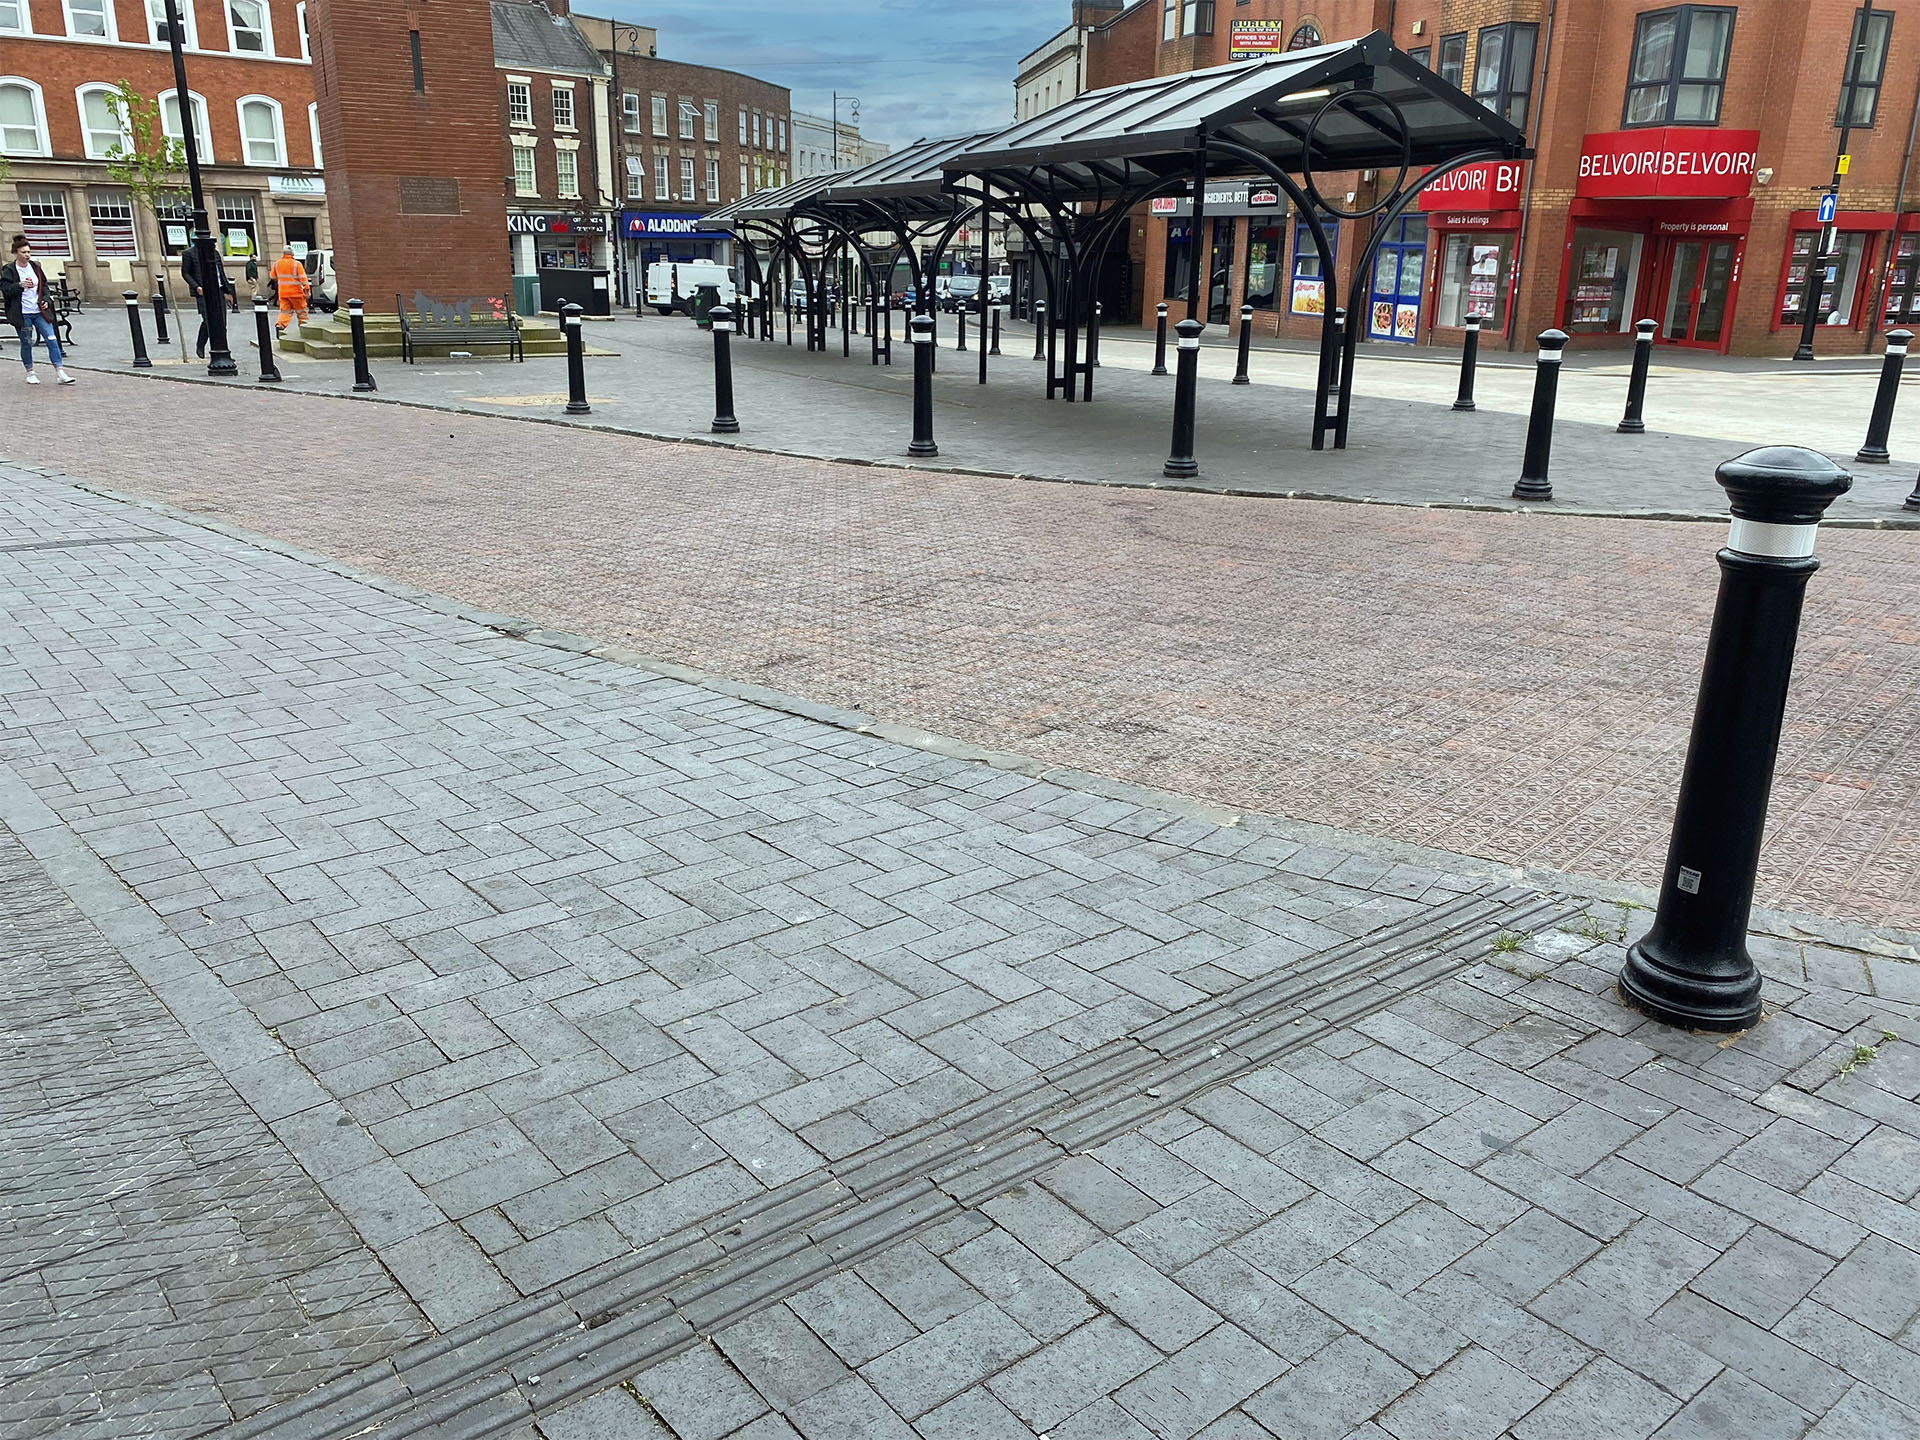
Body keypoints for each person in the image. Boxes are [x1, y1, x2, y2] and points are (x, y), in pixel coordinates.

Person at [1, 235, 75, 385]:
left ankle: (60, 372)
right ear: (15, 253)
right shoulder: (9, 269)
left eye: (28, 252)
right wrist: (20, 285)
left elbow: (45, 287)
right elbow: (5, 290)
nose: (27, 255)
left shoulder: (35, 267)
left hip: (39, 311)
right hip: (22, 313)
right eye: (23, 252)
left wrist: (46, 300)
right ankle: (30, 372)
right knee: (27, 342)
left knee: (52, 339)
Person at [180, 239, 235, 359]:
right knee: (208, 321)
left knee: (222, 323)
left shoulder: (214, 253)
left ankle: (224, 352)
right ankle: (201, 345)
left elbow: (221, 273)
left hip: (218, 291)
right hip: (203, 292)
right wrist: (196, 286)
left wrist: (228, 291)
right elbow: (185, 273)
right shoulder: (189, 253)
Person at [268, 242, 311, 334]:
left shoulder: (276, 264)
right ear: (292, 254)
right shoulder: (297, 264)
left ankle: (280, 325)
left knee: (285, 312)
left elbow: (272, 277)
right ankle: (304, 328)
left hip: (283, 292)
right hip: (296, 293)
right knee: (301, 312)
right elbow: (303, 279)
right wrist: (307, 290)